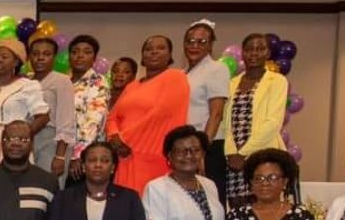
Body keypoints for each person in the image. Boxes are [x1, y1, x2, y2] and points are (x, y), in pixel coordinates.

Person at [106, 36, 189, 196]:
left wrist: (123, 139)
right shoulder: (132, 86)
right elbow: (113, 117)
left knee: (150, 211)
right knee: (125, 209)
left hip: (152, 157)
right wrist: (113, 137)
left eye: (160, 48)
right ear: (142, 56)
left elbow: (161, 113)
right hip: (124, 157)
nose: (154, 52)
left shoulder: (175, 77)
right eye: (149, 49)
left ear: (170, 54)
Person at [224, 33, 288, 208]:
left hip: (262, 153)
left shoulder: (277, 81)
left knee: (264, 205)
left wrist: (244, 153)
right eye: (249, 49)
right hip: (234, 158)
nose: (254, 53)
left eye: (260, 49)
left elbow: (273, 122)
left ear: (268, 53)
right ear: (243, 53)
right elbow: (226, 122)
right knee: (238, 207)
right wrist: (232, 152)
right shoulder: (232, 83)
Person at [0, 40, 49, 175]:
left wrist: (21, 137)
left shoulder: (28, 86)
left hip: (12, 145)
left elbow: (43, 116)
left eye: (4, 57)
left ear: (16, 62)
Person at [183, 21, 230, 205]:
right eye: (190, 41)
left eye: (202, 42)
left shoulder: (216, 69)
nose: (194, 46)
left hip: (207, 148)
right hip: (184, 146)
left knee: (210, 201)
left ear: (211, 45)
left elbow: (216, 114)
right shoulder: (183, 73)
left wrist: (201, 152)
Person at [28, 33, 77, 185]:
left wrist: (60, 156)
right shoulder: (26, 81)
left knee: (48, 188)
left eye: (46, 54)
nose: (40, 58)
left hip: (52, 141)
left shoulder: (62, 80)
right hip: (29, 140)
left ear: (54, 57)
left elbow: (66, 118)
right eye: (36, 54)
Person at [68, 35, 110, 179]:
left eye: (87, 52)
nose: (80, 55)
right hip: (63, 151)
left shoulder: (98, 81)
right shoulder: (65, 82)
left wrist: (78, 156)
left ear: (94, 59)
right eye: (75, 52)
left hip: (87, 156)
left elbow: (93, 121)